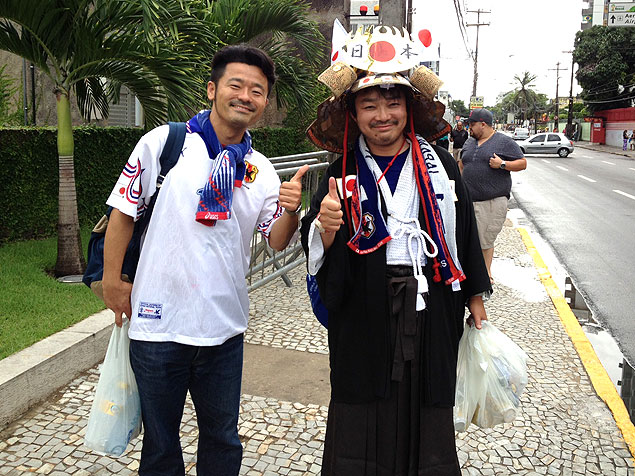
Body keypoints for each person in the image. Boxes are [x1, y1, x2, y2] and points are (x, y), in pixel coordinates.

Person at [102, 44, 307, 476]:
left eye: (257, 90)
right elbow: (122, 211)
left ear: (264, 102)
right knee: (160, 445)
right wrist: (112, 281)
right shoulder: (166, 144)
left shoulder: (261, 170)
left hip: (223, 331)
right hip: (158, 327)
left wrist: (292, 208)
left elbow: (275, 241)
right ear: (212, 89)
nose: (246, 96)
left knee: (223, 441)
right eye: (236, 85)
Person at [301, 26, 491, 475]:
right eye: (369, 105)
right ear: (354, 113)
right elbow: (320, 240)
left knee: (428, 399)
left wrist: (477, 300)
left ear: (409, 109)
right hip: (363, 302)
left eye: (392, 103)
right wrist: (325, 229)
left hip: (432, 299)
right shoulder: (341, 170)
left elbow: (463, 232)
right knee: (360, 403)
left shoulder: (440, 165)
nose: (382, 115)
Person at [460, 108, 527, 283]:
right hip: (468, 200)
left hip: (491, 201)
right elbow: (462, 164)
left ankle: (484, 276)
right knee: (469, 238)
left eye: (472, 124)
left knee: (484, 239)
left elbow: (522, 163)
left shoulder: (503, 142)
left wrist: (502, 164)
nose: (469, 128)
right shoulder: (469, 142)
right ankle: (473, 273)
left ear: (483, 124)